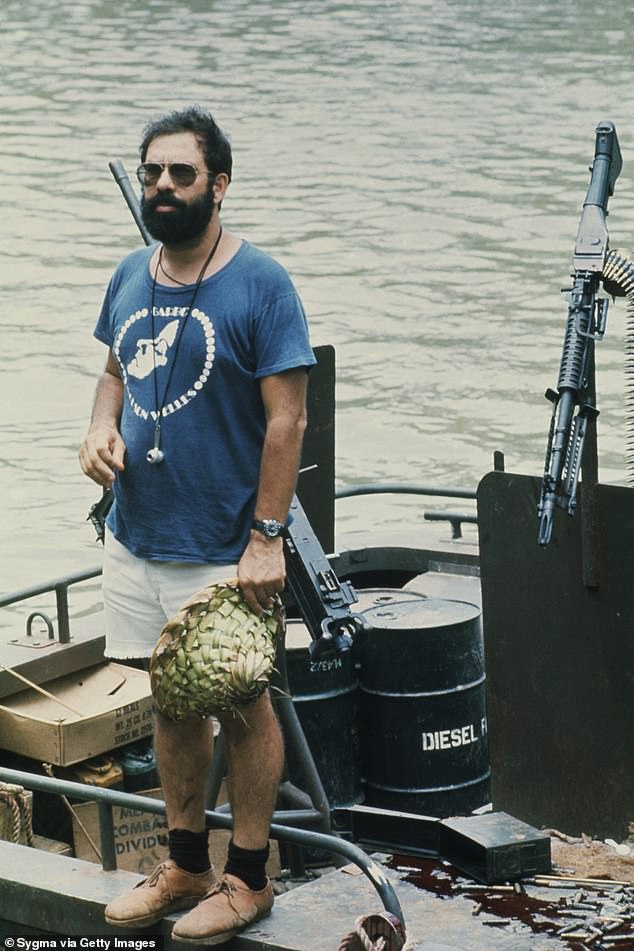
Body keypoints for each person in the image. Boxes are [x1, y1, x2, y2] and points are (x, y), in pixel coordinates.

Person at [78, 105, 316, 945]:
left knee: (246, 708)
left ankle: (247, 877)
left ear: (219, 183)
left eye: (181, 173)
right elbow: (113, 370)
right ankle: (183, 862)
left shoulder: (262, 284)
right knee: (169, 702)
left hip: (225, 544)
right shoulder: (128, 273)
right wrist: (100, 427)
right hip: (138, 533)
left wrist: (266, 534)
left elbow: (287, 420)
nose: (163, 187)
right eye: (152, 173)